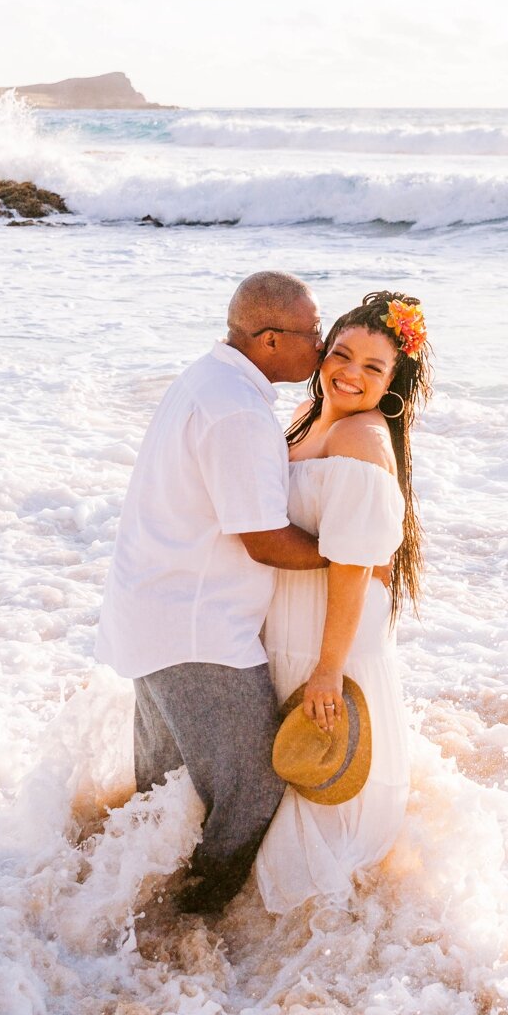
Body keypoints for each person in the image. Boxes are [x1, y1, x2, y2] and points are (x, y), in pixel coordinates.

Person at [94, 271, 328, 914]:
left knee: (165, 796)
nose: (323, 344)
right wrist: (352, 560)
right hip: (198, 631)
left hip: (156, 610)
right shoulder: (237, 412)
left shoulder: (209, 379)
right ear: (272, 339)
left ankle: (121, 913)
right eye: (314, 333)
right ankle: (194, 917)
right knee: (253, 785)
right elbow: (264, 540)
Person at [254, 291, 432, 914]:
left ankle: (329, 933)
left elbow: (355, 568)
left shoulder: (361, 437)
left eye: (372, 368)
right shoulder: (309, 414)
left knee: (322, 769)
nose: (350, 373)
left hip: (328, 632)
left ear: (391, 385)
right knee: (292, 764)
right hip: (295, 623)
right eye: (341, 354)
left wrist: (328, 670)